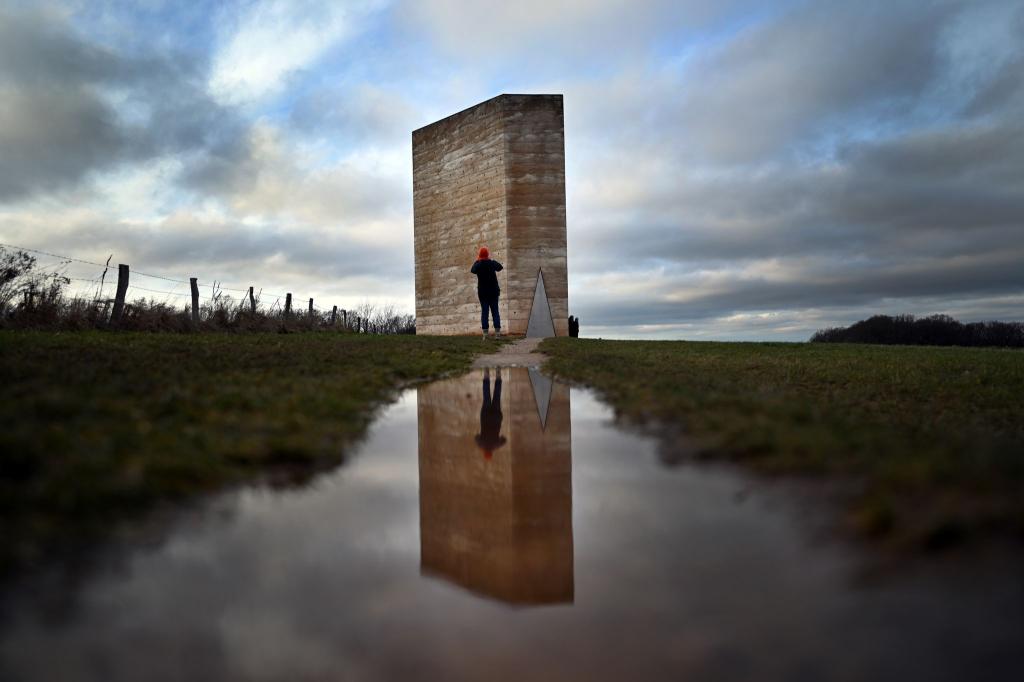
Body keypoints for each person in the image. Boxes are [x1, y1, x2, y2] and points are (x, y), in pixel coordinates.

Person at [470, 246, 503, 338]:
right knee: (495, 311)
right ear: (487, 254)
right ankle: (497, 334)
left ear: (479, 255)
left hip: (483, 293)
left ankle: (485, 334)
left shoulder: (478, 264)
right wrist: (491, 260)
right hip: (493, 292)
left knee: (485, 312)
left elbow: (472, 270)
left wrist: (478, 260)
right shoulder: (491, 263)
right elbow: (500, 267)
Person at [475, 368, 507, 460]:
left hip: (497, 417)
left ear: (491, 453)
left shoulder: (496, 446)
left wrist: (498, 438)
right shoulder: (481, 444)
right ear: (484, 452)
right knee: (486, 396)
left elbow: (504, 439)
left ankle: (498, 376)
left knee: (497, 395)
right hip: (485, 416)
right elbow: (476, 437)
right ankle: (486, 375)